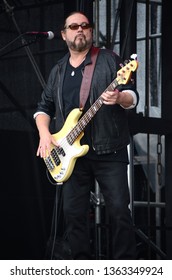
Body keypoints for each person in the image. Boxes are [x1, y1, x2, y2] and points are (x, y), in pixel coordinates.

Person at [34, 11, 139, 260]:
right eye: (74, 26)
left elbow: (132, 96)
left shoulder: (109, 60)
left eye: (85, 25)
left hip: (109, 149)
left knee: (119, 212)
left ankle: (125, 267)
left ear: (90, 31)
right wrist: (45, 134)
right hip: (71, 156)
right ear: (64, 34)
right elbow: (43, 108)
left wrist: (120, 97)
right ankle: (81, 267)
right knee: (73, 214)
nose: (80, 29)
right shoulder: (58, 71)